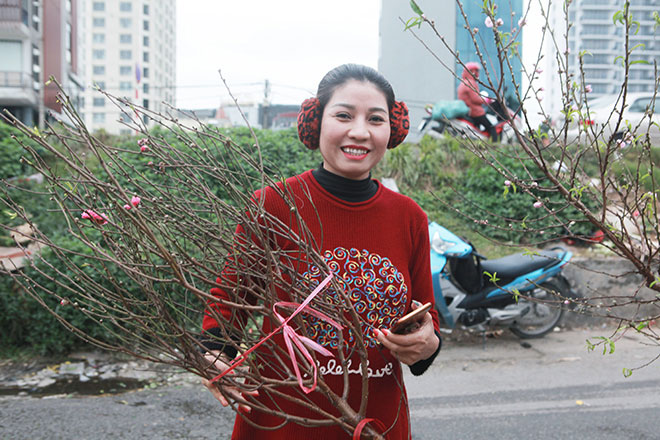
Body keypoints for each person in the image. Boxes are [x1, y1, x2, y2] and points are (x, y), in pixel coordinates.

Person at [200, 64, 441, 439]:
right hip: (282, 420)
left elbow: (426, 317)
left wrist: (427, 344)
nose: (359, 131)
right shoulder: (275, 205)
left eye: (375, 119)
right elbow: (230, 300)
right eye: (343, 115)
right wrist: (214, 352)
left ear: (392, 130)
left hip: (377, 419)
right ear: (316, 122)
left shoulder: (409, 217)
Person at [457, 62, 498, 141]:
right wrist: (486, 100)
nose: (478, 73)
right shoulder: (471, 83)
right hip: (476, 112)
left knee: (477, 130)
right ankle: (495, 145)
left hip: (469, 112)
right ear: (472, 71)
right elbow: (475, 99)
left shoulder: (463, 82)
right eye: (477, 71)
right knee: (492, 128)